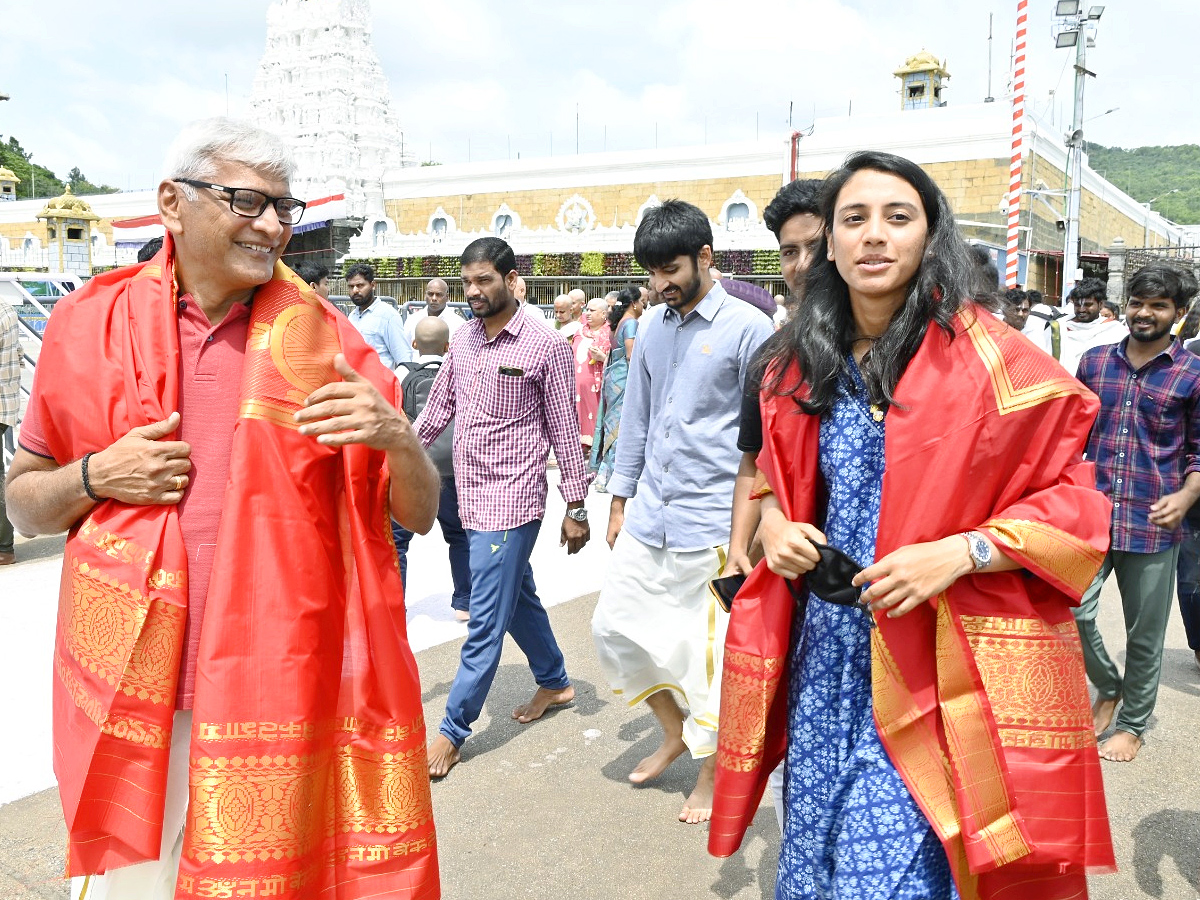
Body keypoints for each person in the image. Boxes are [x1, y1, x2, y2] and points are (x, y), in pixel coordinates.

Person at [4, 118, 441, 898]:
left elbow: (418, 514)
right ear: (173, 203)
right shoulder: (84, 329)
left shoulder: (328, 344)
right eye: (247, 200)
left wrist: (398, 438)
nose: (273, 224)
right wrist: (98, 475)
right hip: (132, 685)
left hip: (283, 685)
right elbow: (25, 505)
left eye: (285, 206)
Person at [708, 151, 1115, 898]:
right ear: (827, 240)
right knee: (818, 857)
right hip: (825, 655)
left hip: (938, 654)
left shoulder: (996, 362)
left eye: (898, 218)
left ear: (931, 237)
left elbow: (1079, 508)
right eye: (853, 219)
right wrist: (772, 531)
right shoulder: (794, 364)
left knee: (892, 873)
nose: (873, 236)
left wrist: (961, 552)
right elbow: (769, 482)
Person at [592, 199, 774, 825]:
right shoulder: (652, 326)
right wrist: (619, 499)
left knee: (707, 661)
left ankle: (710, 769)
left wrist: (750, 532)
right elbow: (636, 416)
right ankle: (672, 731)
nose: (659, 285)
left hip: (714, 523)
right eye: (651, 274)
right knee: (614, 628)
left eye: (670, 270)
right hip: (651, 515)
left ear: (705, 257)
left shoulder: (751, 329)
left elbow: (766, 440)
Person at [414, 236, 591, 779]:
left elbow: (564, 425)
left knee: (485, 618)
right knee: (517, 598)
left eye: (484, 280)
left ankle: (451, 731)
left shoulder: (544, 346)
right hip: (468, 495)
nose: (473, 292)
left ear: (512, 280)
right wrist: (393, 456)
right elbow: (438, 407)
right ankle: (555, 681)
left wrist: (577, 505)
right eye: (467, 282)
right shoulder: (463, 339)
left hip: (513, 499)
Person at [721, 177, 824, 831]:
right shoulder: (774, 360)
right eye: (789, 251)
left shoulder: (915, 354)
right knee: (798, 738)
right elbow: (753, 464)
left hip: (895, 587)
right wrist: (742, 543)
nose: (802, 265)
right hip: (796, 584)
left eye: (815, 246)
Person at [1073, 262, 1200, 762]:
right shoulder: (1094, 362)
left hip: (1154, 521)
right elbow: (1071, 434)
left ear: (1180, 313)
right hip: (1094, 511)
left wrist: (1188, 496)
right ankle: (1108, 683)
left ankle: (1132, 723)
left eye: (1158, 305)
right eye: (1137, 303)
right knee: (1073, 607)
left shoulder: (1191, 375)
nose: (1144, 313)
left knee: (1143, 634)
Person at [394, 317, 472, 622]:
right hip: (452, 468)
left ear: (414, 344)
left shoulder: (402, 372)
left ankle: (395, 604)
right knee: (459, 536)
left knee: (398, 541)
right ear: (447, 346)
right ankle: (464, 602)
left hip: (413, 467)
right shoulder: (459, 372)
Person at [589, 285, 644, 491]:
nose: (642, 305)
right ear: (633, 303)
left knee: (612, 427)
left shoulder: (618, 323)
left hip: (613, 380)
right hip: (624, 381)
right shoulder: (631, 324)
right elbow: (631, 356)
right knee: (620, 428)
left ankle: (605, 473)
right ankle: (611, 475)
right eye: (641, 301)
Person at [345, 261, 412, 367]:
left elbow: (403, 357)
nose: (355, 290)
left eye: (360, 285)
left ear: (373, 285)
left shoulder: (388, 315)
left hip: (379, 381)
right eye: (351, 286)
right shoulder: (352, 316)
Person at [1058, 277, 1128, 375]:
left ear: (1100, 304)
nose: (1081, 310)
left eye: (1088, 304)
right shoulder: (1058, 328)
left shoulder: (1115, 331)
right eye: (1077, 305)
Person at [573, 298, 611, 456]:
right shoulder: (579, 331)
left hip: (597, 386)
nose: (587, 313)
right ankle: (577, 447)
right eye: (587, 310)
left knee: (595, 414)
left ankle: (595, 448)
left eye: (592, 310)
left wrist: (603, 357)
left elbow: (619, 359)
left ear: (603, 314)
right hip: (575, 385)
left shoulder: (609, 333)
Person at [0, 295, 21, 566]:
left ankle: (4, 546)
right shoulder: (7, 308)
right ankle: (4, 546)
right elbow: (17, 354)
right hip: (6, 402)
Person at [404, 277, 466, 342]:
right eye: (430, 294)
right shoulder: (412, 320)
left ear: (447, 297)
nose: (434, 298)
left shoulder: (458, 324)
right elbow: (405, 348)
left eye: (439, 295)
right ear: (425, 296)